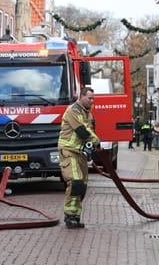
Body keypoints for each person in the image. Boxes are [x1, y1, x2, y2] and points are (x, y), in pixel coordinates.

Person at [58, 87, 101, 229]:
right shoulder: (73, 110)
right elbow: (82, 131)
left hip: (80, 153)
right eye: (89, 98)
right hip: (69, 151)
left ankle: (76, 216)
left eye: (93, 98)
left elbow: (90, 129)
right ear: (81, 96)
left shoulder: (87, 112)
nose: (92, 100)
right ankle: (69, 216)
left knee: (82, 186)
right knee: (75, 182)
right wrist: (96, 142)